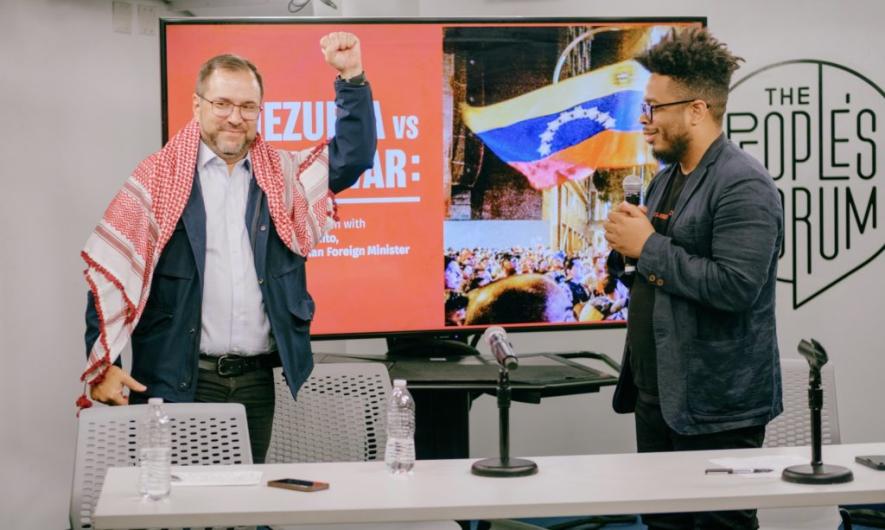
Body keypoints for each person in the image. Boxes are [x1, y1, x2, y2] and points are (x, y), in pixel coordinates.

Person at [80, 32, 376, 463]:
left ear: (260, 111)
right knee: (174, 513)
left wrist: (351, 78)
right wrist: (102, 363)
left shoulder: (283, 179)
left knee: (239, 506)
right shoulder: (157, 180)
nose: (234, 118)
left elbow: (353, 156)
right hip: (174, 381)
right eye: (222, 104)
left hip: (253, 384)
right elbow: (110, 268)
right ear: (197, 105)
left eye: (247, 106)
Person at [604, 27, 783, 530]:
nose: (646, 121)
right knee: (664, 525)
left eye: (656, 108)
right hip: (659, 396)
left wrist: (648, 247)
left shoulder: (744, 184)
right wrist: (624, 249)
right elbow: (649, 273)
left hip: (716, 407)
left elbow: (736, 287)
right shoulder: (664, 180)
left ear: (697, 110)